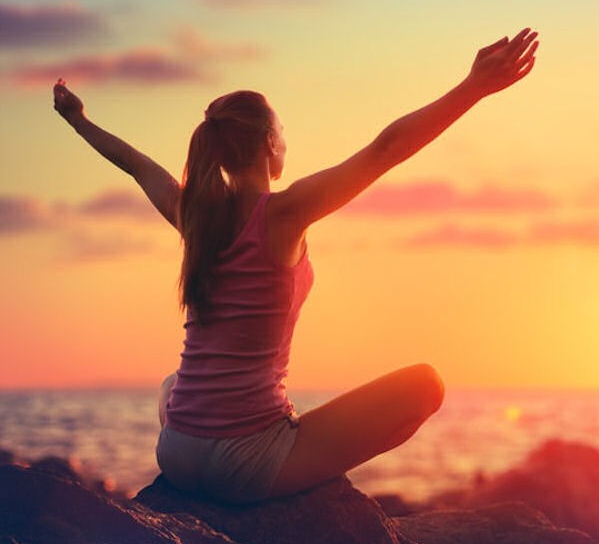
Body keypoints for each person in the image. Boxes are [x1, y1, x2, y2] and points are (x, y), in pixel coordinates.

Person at [53, 28, 539, 503]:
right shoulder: (285, 214)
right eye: (282, 130)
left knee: (171, 384)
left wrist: (77, 120)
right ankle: (274, 447)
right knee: (426, 386)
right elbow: (385, 149)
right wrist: (473, 88)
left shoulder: (196, 216)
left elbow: (135, 163)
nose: (286, 138)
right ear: (268, 143)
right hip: (242, 465)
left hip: (176, 451)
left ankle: (236, 439)